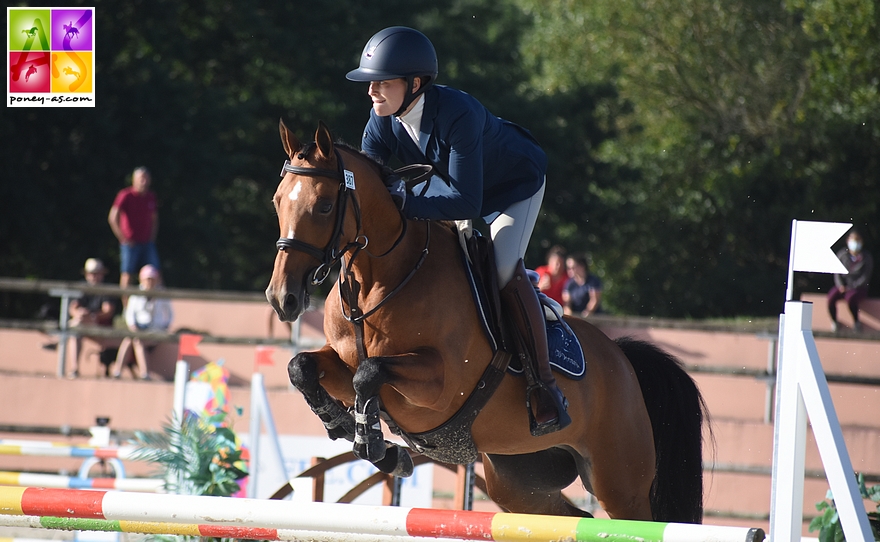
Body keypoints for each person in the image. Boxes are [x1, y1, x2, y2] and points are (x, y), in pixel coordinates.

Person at [346, 26, 569, 435]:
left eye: (382, 82)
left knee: (501, 269)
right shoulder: (381, 120)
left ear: (415, 84)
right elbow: (371, 187)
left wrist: (402, 204)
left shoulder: (457, 113)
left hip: (511, 188)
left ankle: (545, 387)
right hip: (450, 188)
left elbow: (467, 202)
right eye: (370, 82)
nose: (371, 91)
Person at [112, 265, 173, 380]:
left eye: (152, 279)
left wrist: (166, 327)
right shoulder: (136, 294)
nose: (149, 282)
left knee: (135, 339)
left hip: (156, 329)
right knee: (132, 339)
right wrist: (133, 326)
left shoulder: (162, 293)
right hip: (139, 328)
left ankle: (143, 372)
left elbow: (170, 313)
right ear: (141, 279)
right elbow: (130, 314)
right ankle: (121, 371)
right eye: (147, 279)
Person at [108, 167, 160, 292]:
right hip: (130, 244)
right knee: (127, 274)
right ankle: (126, 309)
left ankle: (159, 306)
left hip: (147, 242)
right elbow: (112, 217)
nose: (144, 181)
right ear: (134, 180)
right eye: (141, 178)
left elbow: (154, 219)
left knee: (156, 272)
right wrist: (123, 238)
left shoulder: (151, 197)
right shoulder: (125, 195)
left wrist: (151, 238)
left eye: (146, 178)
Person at [67, 258, 119, 378]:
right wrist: (79, 313)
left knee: (75, 326)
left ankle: (59, 340)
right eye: (91, 273)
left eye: (97, 273)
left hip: (102, 329)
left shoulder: (107, 289)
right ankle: (74, 369)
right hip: (83, 325)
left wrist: (91, 316)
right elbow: (73, 308)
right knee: (77, 327)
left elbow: (108, 311)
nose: (94, 276)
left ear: (102, 274)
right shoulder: (82, 287)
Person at [828, 229, 873, 333]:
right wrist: (841, 285)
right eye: (853, 240)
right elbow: (837, 273)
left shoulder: (866, 258)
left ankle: (856, 322)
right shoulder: (842, 255)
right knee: (831, 297)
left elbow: (865, 277)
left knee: (850, 298)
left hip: (858, 288)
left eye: (857, 240)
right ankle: (835, 322)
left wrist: (851, 287)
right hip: (842, 286)